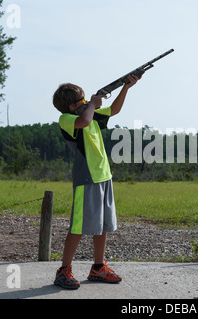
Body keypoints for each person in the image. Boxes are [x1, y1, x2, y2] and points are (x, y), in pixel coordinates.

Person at [52, 75, 141, 289]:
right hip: (86, 178)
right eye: (82, 99)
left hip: (103, 176)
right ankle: (63, 271)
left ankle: (99, 267)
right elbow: (83, 122)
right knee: (78, 227)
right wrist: (92, 104)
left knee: (102, 226)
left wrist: (126, 88)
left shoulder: (89, 113)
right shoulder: (67, 119)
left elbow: (114, 110)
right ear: (72, 105)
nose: (86, 102)